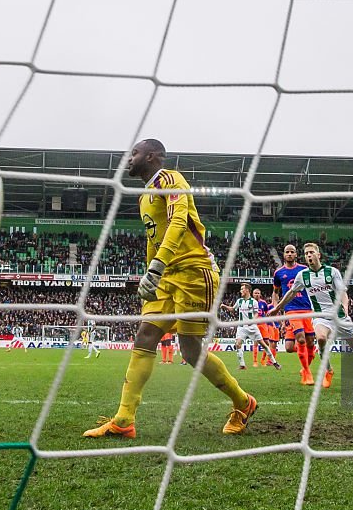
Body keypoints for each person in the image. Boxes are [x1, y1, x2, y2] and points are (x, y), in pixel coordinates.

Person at [84, 138, 257, 438]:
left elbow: (179, 221)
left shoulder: (170, 179)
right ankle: (124, 420)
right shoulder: (143, 198)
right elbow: (154, 239)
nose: (129, 158)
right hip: (165, 277)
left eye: (134, 153)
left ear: (152, 156)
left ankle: (243, 402)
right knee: (145, 335)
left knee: (190, 351)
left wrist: (158, 265)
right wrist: (150, 274)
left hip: (194, 272)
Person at [268, 242, 353, 389]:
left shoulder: (332, 272)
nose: (309, 255)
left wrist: (345, 307)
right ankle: (328, 371)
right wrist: (277, 308)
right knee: (321, 338)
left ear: (318, 255)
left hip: (339, 316)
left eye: (311, 252)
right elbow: (291, 293)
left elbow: (342, 292)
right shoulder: (303, 275)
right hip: (320, 317)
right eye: (307, 253)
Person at [272, 244, 316, 385]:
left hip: (307, 309)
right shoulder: (279, 273)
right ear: (284, 255)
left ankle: (305, 368)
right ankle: (307, 373)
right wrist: (276, 307)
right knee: (301, 340)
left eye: (292, 252)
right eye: (287, 252)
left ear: (296, 254)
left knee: (309, 343)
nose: (289, 254)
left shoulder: (304, 270)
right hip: (291, 310)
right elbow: (275, 292)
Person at [220, 283, 281, 371]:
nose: (241, 291)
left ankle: (274, 362)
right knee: (238, 344)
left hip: (252, 327)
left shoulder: (254, 302)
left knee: (264, 345)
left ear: (247, 290)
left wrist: (252, 320)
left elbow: (256, 313)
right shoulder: (239, 301)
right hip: (241, 327)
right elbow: (233, 309)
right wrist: (225, 306)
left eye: (242, 289)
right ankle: (242, 365)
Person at [252, 288, 279, 367]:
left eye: (258, 293)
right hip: (255, 324)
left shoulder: (263, 303)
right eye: (255, 293)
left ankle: (263, 360)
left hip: (263, 325)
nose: (257, 294)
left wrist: (272, 323)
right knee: (256, 342)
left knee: (266, 343)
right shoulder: (251, 302)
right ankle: (255, 361)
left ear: (260, 294)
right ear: (252, 294)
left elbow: (267, 313)